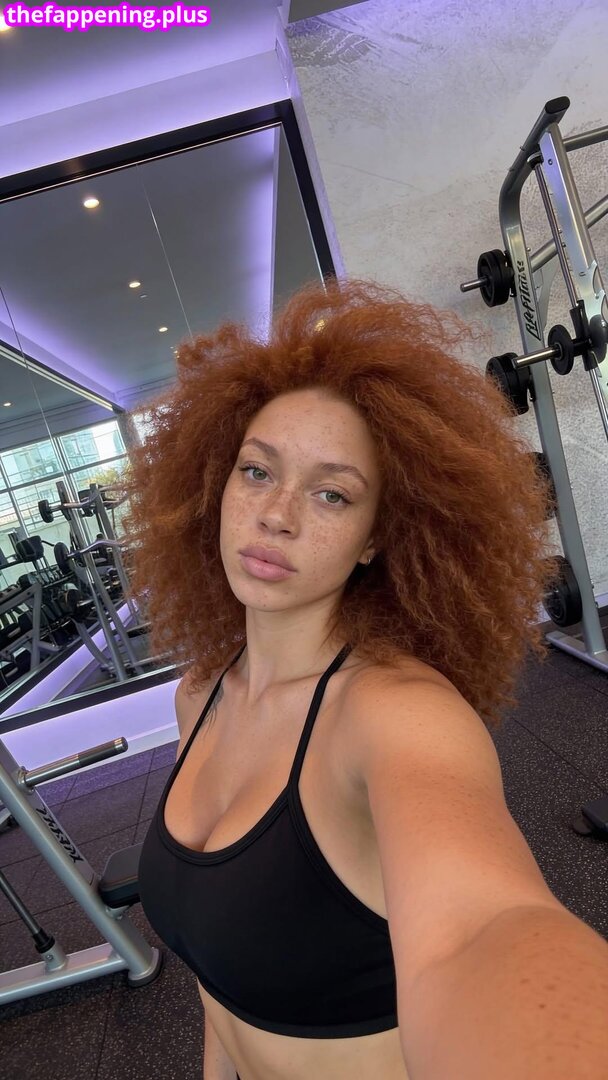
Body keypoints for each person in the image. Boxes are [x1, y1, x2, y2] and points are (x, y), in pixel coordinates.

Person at [128, 278, 608, 1080]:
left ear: (375, 539)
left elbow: (480, 930)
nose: (277, 514)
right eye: (256, 472)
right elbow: (217, 970)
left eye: (331, 494)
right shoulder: (200, 692)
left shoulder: (398, 713)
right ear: (216, 484)